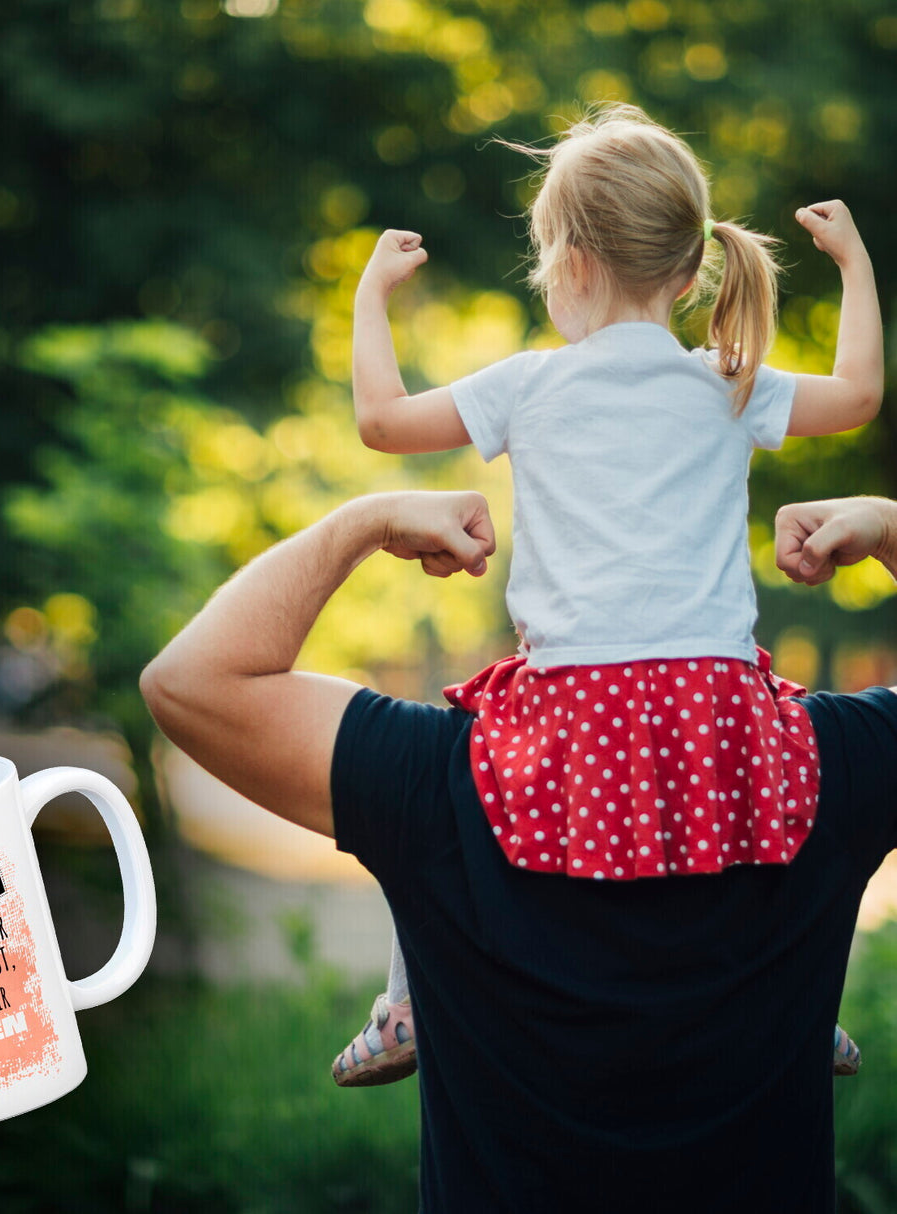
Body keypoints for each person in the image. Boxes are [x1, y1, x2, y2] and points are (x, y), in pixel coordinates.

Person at [140, 490, 897, 1214]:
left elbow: (190, 681)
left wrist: (362, 524)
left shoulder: (443, 776)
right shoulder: (820, 766)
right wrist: (891, 529)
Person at [334, 103, 881, 1085]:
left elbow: (379, 420)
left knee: (439, 786)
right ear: (686, 270)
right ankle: (806, 1003)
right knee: (789, 791)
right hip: (713, 696)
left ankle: (407, 1004)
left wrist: (369, 292)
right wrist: (852, 266)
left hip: (571, 700)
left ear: (568, 265)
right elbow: (857, 393)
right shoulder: (728, 379)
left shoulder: (527, 385)